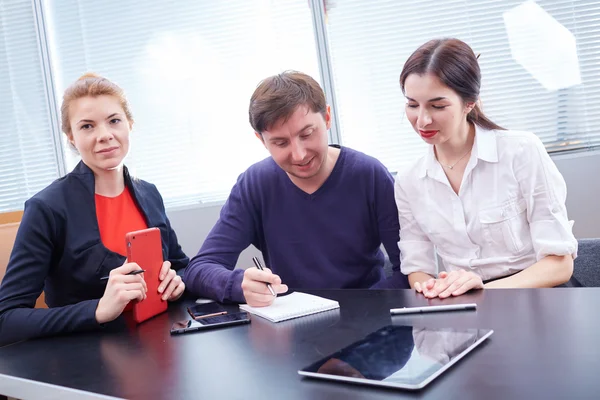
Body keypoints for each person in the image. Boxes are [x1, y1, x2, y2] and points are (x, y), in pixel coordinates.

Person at [184, 71, 408, 307]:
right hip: (292, 325)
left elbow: (410, 271)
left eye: (307, 134)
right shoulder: (255, 183)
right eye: (280, 143)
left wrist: (360, 309)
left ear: (327, 118)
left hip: (370, 320)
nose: (299, 155)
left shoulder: (369, 175)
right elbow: (199, 269)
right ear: (262, 140)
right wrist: (239, 284)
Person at [0, 73, 188, 345]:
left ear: (129, 125)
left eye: (114, 121)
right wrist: (97, 310)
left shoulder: (149, 193)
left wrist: (177, 283)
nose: (104, 135)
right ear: (71, 137)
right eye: (87, 126)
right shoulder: (46, 208)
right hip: (87, 359)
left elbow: (182, 267)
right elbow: (6, 319)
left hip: (160, 345)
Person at [395, 38, 577, 299]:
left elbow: (560, 265)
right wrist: (432, 287)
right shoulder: (409, 180)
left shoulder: (521, 151)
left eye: (437, 106)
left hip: (540, 297)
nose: (422, 120)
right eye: (412, 105)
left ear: (470, 103)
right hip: (466, 304)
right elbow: (418, 269)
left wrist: (481, 289)